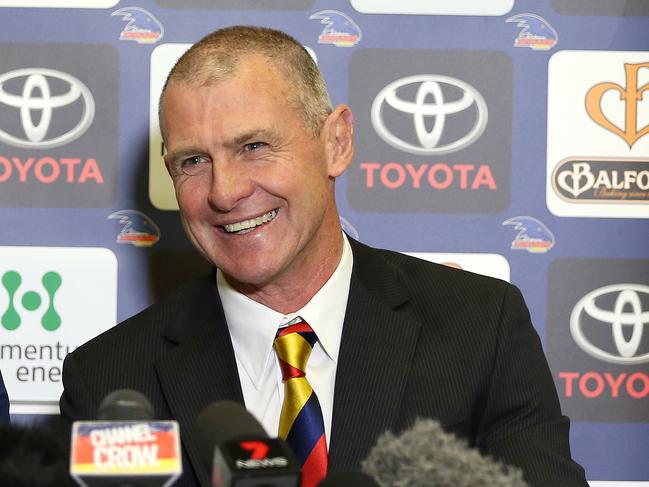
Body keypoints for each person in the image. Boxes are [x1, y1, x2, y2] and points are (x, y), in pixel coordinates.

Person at [60, 26, 588, 487]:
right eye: (193, 160)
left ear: (336, 142)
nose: (224, 191)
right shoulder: (109, 379)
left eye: (254, 147)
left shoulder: (479, 329)